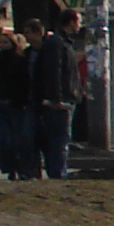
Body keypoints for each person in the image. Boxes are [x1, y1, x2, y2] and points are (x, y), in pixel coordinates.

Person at [26, 12, 79, 178]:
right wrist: (56, 98)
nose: (79, 26)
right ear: (71, 22)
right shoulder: (56, 43)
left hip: (64, 98)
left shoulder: (61, 43)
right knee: (59, 139)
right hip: (59, 102)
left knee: (59, 138)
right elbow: (53, 71)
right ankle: (58, 172)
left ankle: (57, 170)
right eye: (78, 22)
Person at [0, 25, 32, 180]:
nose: (3, 46)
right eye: (1, 43)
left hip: (14, 104)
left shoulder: (19, 61)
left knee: (13, 139)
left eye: (6, 43)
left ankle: (13, 169)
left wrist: (19, 99)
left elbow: (23, 83)